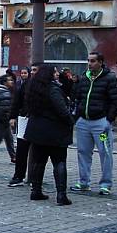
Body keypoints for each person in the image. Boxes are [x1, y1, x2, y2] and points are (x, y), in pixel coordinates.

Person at [71, 51, 117, 195]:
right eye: (88, 60)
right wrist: (77, 116)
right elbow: (78, 97)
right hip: (84, 124)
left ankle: (105, 184)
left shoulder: (110, 78)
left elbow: (116, 100)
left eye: (93, 61)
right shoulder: (84, 77)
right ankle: (83, 182)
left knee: (105, 153)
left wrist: (108, 120)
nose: (89, 63)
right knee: (83, 152)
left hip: (101, 124)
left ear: (100, 62)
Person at [23, 65, 74, 205]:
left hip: (37, 131)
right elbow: (62, 110)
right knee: (59, 161)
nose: (57, 74)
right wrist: (70, 121)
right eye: (55, 72)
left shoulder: (34, 88)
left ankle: (36, 190)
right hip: (54, 131)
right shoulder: (53, 89)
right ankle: (61, 195)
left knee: (38, 162)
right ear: (49, 74)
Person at [8, 65, 37, 187]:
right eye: (33, 70)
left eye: (35, 70)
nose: (33, 73)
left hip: (38, 121)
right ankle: (19, 176)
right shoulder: (25, 85)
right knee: (21, 149)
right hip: (25, 119)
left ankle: (35, 178)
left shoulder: (47, 86)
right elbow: (17, 101)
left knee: (37, 151)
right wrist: (13, 116)